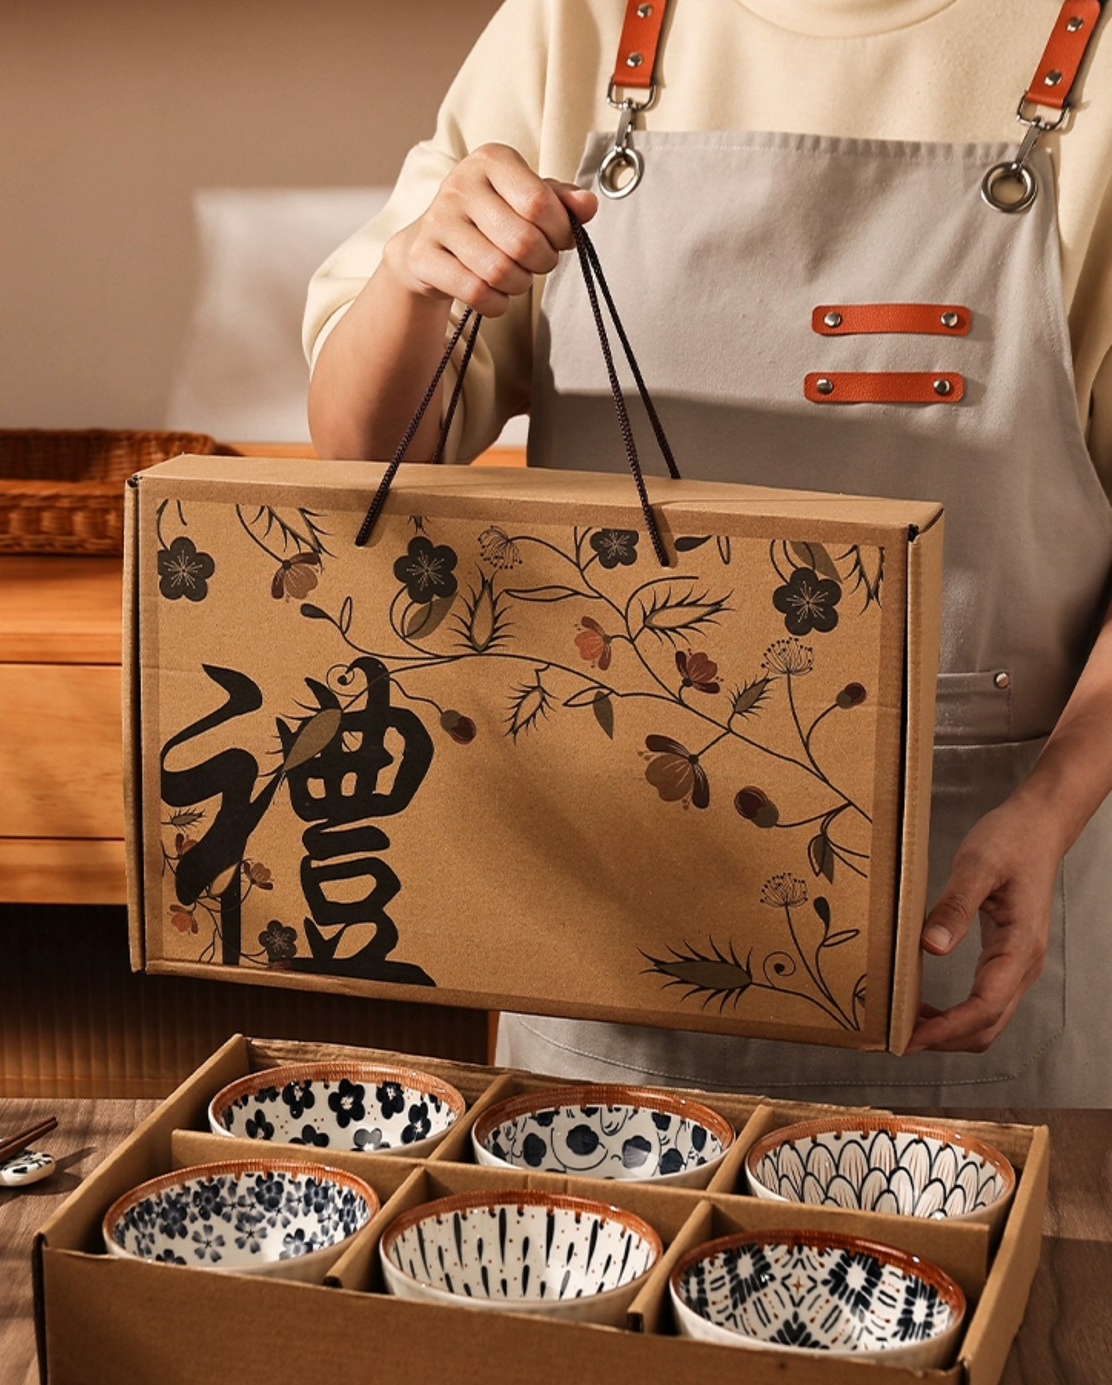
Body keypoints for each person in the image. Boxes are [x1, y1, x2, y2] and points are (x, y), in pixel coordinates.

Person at [304, 0, 1112, 1107]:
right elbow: (365, 450)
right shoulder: (578, 23)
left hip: (976, 899)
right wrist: (413, 277)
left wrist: (1051, 803)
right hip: (605, 893)